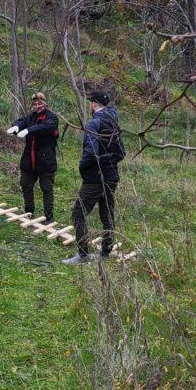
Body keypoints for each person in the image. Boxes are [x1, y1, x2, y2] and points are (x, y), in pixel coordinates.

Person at [62, 90, 126, 266]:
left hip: (95, 179)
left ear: (94, 104)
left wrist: (83, 167)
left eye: (91, 102)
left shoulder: (93, 123)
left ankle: (83, 255)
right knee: (107, 212)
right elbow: (122, 153)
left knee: (78, 213)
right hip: (112, 176)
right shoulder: (114, 123)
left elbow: (91, 153)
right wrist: (110, 164)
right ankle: (105, 252)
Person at [7, 92, 59, 224]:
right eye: (35, 104)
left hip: (46, 161)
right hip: (29, 160)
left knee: (46, 189)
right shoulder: (31, 117)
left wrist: (29, 130)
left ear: (45, 103)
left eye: (40, 103)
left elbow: (44, 127)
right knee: (26, 185)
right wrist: (16, 126)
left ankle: (49, 217)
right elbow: (22, 120)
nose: (37, 106)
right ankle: (29, 212)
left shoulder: (52, 118)